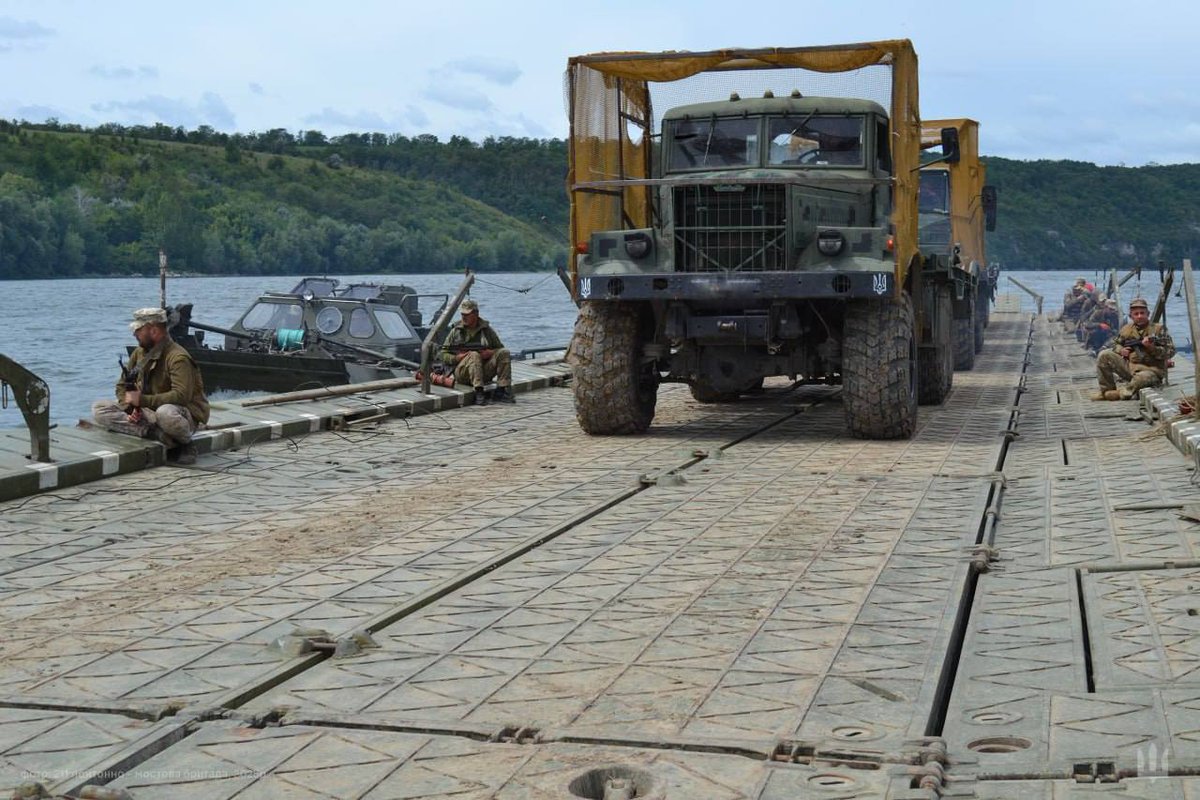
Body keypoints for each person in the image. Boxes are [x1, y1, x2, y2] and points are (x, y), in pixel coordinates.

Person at [91, 307, 210, 463]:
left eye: (138, 330)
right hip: (149, 412)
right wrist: (131, 409)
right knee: (100, 408)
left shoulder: (177, 357)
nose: (134, 334)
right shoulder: (139, 353)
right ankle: (155, 433)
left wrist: (142, 401)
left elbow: (181, 396)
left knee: (165, 414)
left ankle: (186, 443)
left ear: (153, 331)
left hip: (181, 413)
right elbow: (122, 385)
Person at [1092, 297, 1175, 401]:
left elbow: (1170, 352)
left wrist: (1151, 348)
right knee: (1104, 355)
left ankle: (1121, 393)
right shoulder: (1126, 329)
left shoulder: (1158, 329)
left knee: (1142, 378)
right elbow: (1115, 343)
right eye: (1136, 314)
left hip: (1152, 370)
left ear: (1148, 314)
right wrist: (1121, 350)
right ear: (1131, 316)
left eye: (1142, 313)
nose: (1139, 316)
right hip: (1131, 367)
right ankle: (1106, 390)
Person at [440, 299, 514, 404]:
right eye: (462, 314)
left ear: (475, 314)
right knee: (474, 354)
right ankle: (479, 392)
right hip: (463, 373)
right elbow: (442, 354)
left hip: (484, 370)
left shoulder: (486, 330)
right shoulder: (456, 331)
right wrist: (457, 358)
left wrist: (490, 353)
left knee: (504, 353)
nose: (464, 317)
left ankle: (503, 390)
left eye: (467, 314)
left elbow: (500, 348)